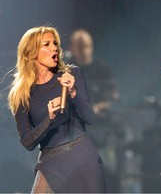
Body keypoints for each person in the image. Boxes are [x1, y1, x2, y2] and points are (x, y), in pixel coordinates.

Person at [7, 26, 106, 193]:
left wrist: (74, 93)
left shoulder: (71, 74)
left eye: (55, 43)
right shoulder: (21, 94)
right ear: (32, 52)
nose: (54, 48)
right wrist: (49, 118)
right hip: (51, 162)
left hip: (81, 155)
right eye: (47, 44)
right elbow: (27, 142)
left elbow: (90, 118)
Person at [67, 29, 120, 120]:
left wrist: (98, 108)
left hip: (102, 122)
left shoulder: (102, 70)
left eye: (86, 47)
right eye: (80, 48)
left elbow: (114, 99)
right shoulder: (66, 71)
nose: (84, 52)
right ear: (72, 49)